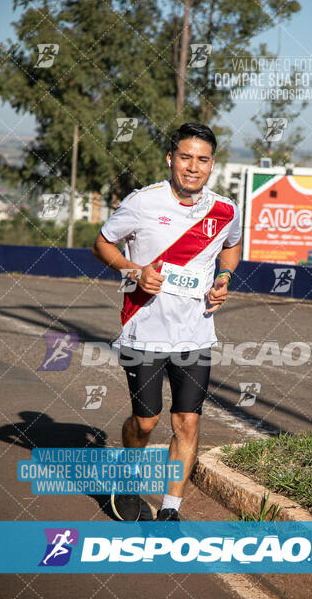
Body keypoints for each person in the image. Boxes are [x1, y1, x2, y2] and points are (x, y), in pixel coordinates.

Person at [92, 123, 241, 521]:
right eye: (186, 157)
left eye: (203, 159)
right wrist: (134, 271)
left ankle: (171, 509)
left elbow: (232, 246)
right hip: (144, 328)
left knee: (187, 421)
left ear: (212, 164)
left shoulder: (225, 209)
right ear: (171, 158)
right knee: (146, 421)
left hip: (196, 332)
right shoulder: (143, 203)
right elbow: (102, 243)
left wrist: (224, 278)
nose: (194, 167)